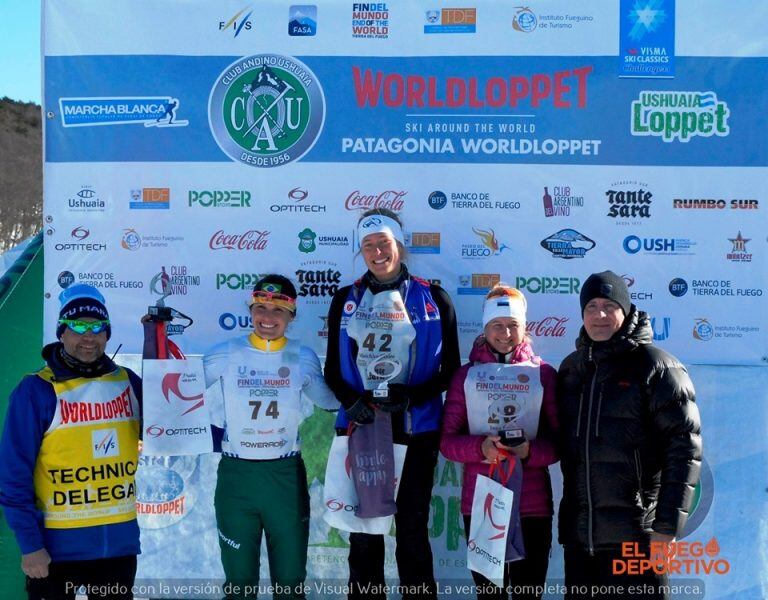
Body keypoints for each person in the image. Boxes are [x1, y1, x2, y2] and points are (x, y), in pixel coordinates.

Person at [324, 208, 461, 599]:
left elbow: (451, 370)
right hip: (362, 426)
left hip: (416, 429)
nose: (376, 251)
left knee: (413, 531)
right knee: (365, 535)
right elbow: (333, 370)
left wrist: (412, 396)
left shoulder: (434, 298)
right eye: (368, 245)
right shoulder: (344, 299)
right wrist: (353, 401)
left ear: (399, 245)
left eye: (383, 242)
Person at [557, 271, 702, 600]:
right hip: (581, 542)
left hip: (637, 541)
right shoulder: (571, 370)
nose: (600, 314)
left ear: (626, 310)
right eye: (591, 306)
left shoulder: (658, 367)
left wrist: (666, 529)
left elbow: (685, 452)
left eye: (609, 305)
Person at [0, 284, 142, 600]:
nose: (88, 336)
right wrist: (30, 545)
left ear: (107, 334)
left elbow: (172, 428)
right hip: (54, 553)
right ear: (61, 333)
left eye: (97, 327)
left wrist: (234, 437)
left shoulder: (128, 382)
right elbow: (12, 476)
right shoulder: (35, 390)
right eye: (78, 327)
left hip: (116, 551)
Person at [203, 274, 338, 600]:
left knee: (290, 584)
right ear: (250, 311)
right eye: (260, 308)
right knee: (239, 584)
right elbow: (177, 397)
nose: (267, 318)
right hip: (238, 479)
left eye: (278, 311)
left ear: (292, 316)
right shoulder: (226, 353)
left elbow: (331, 401)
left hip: (284, 478)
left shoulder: (300, 356)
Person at [441, 285, 559, 600]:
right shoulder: (465, 376)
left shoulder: (543, 374)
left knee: (527, 593)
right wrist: (481, 448)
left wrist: (528, 452)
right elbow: (447, 442)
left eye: (513, 325)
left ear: (524, 328)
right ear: (485, 328)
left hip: (532, 506)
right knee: (489, 595)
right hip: (483, 504)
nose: (505, 333)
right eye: (497, 325)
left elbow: (559, 444)